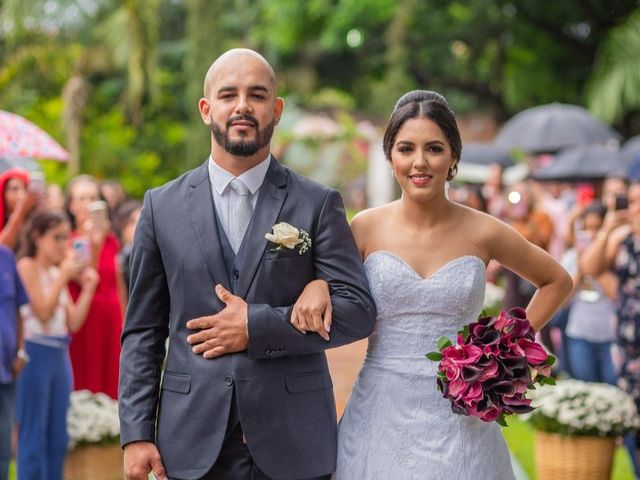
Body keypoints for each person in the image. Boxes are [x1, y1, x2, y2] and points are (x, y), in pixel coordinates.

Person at [118, 48, 376, 480]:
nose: (242, 106)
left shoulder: (317, 203)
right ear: (206, 109)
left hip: (294, 443)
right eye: (228, 95)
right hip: (191, 444)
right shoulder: (160, 207)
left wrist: (257, 326)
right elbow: (143, 330)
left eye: (257, 96)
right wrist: (137, 433)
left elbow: (358, 312)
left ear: (275, 110)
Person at [292, 90, 572, 479]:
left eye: (434, 148)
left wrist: (505, 352)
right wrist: (317, 283)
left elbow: (557, 280)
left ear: (453, 156)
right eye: (406, 149)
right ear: (391, 157)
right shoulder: (363, 228)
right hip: (381, 411)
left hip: (462, 416)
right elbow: (321, 281)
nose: (419, 162)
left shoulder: (484, 230)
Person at [15, 209, 98, 480]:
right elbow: (42, 311)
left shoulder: (55, 271)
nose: (63, 245)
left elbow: (73, 322)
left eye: (66, 238)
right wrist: (63, 275)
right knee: (33, 434)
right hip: (35, 352)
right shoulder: (27, 266)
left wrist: (87, 288)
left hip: (60, 353)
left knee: (58, 437)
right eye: (57, 238)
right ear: (38, 237)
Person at [581, 180, 640, 478]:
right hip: (629, 353)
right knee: (632, 425)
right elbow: (589, 267)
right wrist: (607, 230)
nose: (635, 208)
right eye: (631, 201)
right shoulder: (623, 239)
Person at [65, 175, 126, 399]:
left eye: (93, 197)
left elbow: (118, 284)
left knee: (112, 381)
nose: (88, 203)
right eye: (82, 198)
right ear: (71, 205)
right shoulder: (71, 241)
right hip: (85, 318)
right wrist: (95, 243)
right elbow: (87, 278)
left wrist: (125, 321)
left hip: (110, 318)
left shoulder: (111, 240)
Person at [562, 202, 617, 385]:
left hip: (611, 338)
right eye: (587, 228)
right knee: (585, 387)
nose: (592, 234)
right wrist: (580, 267)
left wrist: (595, 266)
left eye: (597, 228)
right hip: (580, 335)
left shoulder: (616, 256)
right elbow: (562, 300)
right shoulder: (572, 256)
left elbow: (617, 296)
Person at [0, 245, 28, 480]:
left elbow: (18, 309)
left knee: (3, 449)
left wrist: (20, 351)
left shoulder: (7, 256)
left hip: (7, 371)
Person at [0, 168, 39, 252]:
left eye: (25, 188)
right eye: (15, 189)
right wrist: (21, 212)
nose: (21, 194)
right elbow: (2, 249)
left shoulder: (33, 219)